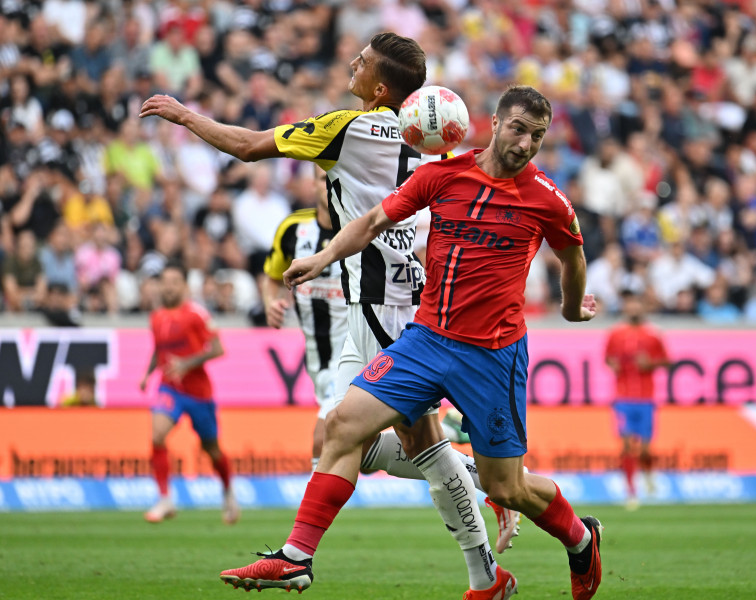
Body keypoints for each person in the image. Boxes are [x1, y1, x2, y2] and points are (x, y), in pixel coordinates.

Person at [141, 32, 518, 596]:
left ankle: (491, 520)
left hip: (380, 303)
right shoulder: (437, 143)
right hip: (381, 298)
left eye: (362, 62)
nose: (352, 63)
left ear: (380, 87)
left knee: (416, 441)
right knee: (347, 440)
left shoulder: (350, 127)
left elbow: (247, 146)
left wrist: (184, 115)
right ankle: (474, 505)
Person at [218, 86, 603, 600]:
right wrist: (323, 258)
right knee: (341, 425)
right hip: (425, 341)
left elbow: (572, 257)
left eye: (537, 135)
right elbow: (375, 220)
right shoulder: (441, 176)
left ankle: (580, 539)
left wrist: (572, 306)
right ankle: (296, 558)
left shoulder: (547, 199)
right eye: (518, 129)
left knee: (505, 487)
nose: (526, 143)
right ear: (493, 123)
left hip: (494, 355)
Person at [138, 261, 239, 525]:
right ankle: (165, 499)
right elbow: (159, 351)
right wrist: (148, 374)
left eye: (174, 282)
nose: (168, 287)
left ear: (183, 286)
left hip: (198, 392)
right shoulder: (156, 317)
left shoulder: (197, 314)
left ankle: (228, 492)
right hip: (169, 387)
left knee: (212, 450)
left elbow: (218, 349)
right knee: (157, 435)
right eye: (165, 282)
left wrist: (186, 363)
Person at [262, 169, 347, 471]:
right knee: (360, 447)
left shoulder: (359, 227)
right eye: (324, 177)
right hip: (318, 360)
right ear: (312, 184)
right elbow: (272, 278)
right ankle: (457, 465)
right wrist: (271, 302)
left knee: (322, 440)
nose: (331, 185)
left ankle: (313, 518)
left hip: (355, 353)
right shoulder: (293, 228)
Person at [604, 289, 670, 510]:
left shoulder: (652, 334)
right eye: (629, 304)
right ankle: (631, 492)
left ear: (642, 307)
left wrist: (650, 364)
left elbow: (667, 361)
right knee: (625, 447)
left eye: (636, 304)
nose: (633, 308)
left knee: (644, 450)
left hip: (646, 399)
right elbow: (608, 358)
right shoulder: (615, 334)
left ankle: (649, 474)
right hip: (622, 398)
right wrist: (613, 365)